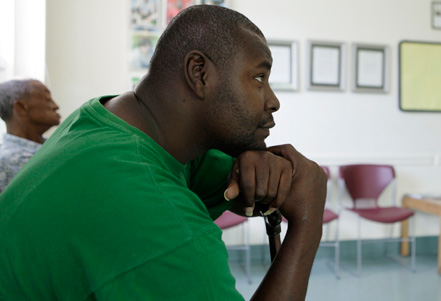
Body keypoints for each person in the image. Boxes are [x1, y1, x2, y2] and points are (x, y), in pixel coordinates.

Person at [0, 5, 327, 300]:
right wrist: (308, 221)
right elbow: (157, 211)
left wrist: (256, 161)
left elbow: (238, 185)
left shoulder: (105, 121)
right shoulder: (156, 219)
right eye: (259, 77)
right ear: (199, 73)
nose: (273, 101)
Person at [0, 79, 61, 192]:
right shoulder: (9, 161)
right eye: (47, 99)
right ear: (21, 107)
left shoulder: (54, 148)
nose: (56, 106)